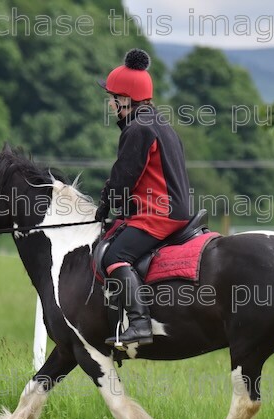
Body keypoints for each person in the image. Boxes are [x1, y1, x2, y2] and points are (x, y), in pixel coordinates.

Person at [96, 48, 194, 348]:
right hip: (174, 209)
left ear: (125, 99)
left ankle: (139, 323)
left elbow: (125, 176)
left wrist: (106, 203)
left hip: (159, 214)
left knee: (115, 256)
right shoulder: (160, 123)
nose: (110, 103)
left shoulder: (137, 129)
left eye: (113, 97)